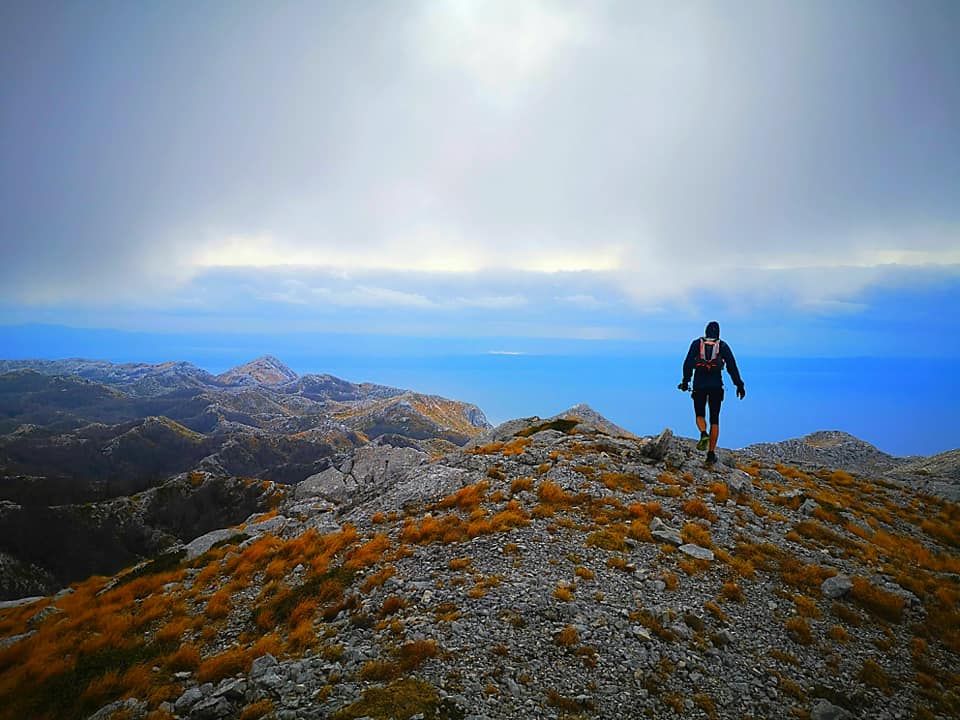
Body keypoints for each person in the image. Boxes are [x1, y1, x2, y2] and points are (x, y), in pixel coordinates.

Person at [678, 321, 745, 465]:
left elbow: (687, 364)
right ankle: (711, 454)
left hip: (699, 384)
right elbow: (732, 367)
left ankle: (703, 433)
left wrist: (685, 382)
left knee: (699, 415)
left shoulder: (696, 344)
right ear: (718, 333)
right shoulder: (723, 346)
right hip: (716, 386)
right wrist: (739, 385)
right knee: (715, 419)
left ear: (706, 331)